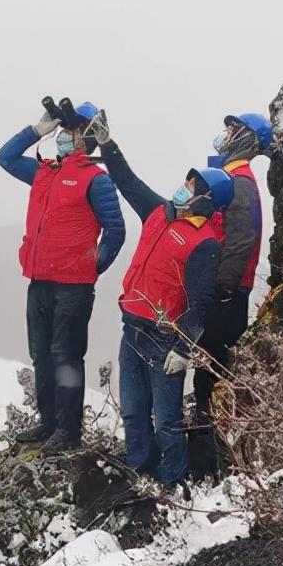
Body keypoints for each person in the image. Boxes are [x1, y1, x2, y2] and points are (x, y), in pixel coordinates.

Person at [92, 119, 233, 489]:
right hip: (132, 329)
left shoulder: (205, 243)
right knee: (134, 411)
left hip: (164, 339)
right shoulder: (158, 212)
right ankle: (140, 472)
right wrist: (108, 145)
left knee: (167, 420)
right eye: (187, 182)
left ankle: (172, 482)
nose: (184, 187)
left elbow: (201, 302)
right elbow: (128, 181)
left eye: (193, 185)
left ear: (206, 197)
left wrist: (185, 348)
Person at [0, 101, 125, 452]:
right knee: (41, 354)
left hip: (73, 286)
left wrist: (89, 269)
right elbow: (4, 157)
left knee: (65, 355)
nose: (65, 135)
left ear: (89, 138)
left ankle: (69, 431)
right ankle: (48, 422)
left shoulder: (96, 180)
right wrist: (37, 131)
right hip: (39, 279)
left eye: (73, 130)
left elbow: (116, 231)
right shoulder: (45, 173)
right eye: (65, 129)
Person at [189, 112, 272, 479]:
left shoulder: (239, 183)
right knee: (208, 372)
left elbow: (240, 239)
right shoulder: (233, 179)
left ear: (245, 139)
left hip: (228, 294)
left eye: (231, 129)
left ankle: (212, 462)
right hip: (226, 290)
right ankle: (211, 456)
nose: (224, 134)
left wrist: (222, 287)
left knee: (210, 374)